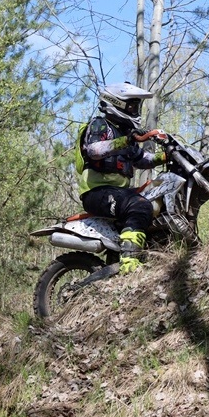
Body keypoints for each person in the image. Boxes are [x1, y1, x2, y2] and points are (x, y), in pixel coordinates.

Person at [75, 82, 168, 274]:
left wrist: (166, 156)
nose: (135, 110)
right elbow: (94, 150)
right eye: (132, 106)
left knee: (158, 199)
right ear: (117, 103)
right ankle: (129, 262)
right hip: (97, 193)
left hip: (118, 192)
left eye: (136, 106)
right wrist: (129, 139)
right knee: (139, 205)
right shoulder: (100, 125)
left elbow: (142, 159)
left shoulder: (124, 133)